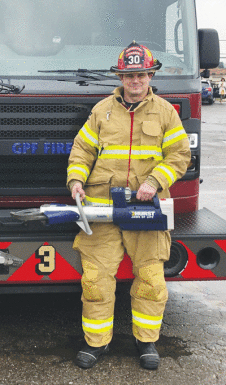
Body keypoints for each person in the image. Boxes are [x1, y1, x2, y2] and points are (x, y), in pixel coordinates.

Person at [67, 41, 191, 371]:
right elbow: (82, 151)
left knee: (151, 278)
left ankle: (146, 341)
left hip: (146, 210)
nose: (135, 81)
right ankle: (96, 342)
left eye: (141, 75)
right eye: (129, 75)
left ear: (150, 76)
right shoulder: (101, 111)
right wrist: (76, 180)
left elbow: (179, 156)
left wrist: (155, 181)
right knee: (95, 280)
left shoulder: (165, 112)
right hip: (102, 209)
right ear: (120, 77)